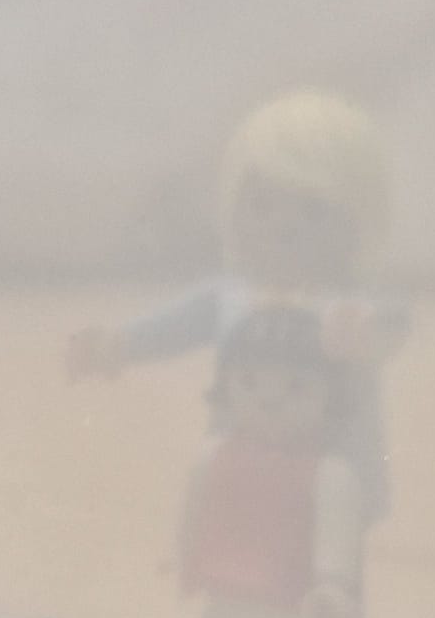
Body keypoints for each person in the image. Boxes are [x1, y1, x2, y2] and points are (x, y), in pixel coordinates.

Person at [66, 87, 408, 521]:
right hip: (241, 474)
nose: (284, 224)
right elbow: (173, 327)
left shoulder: (351, 304)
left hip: (331, 482)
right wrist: (120, 343)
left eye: (313, 210)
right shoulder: (230, 296)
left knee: (329, 545)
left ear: (358, 218)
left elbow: (393, 323)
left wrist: (370, 331)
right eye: (263, 205)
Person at [180, 306, 366, 618]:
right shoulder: (212, 456)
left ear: (331, 393)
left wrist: (332, 584)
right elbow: (194, 511)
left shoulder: (330, 473)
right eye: (249, 383)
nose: (269, 400)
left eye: (296, 387)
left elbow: (336, 535)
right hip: (225, 586)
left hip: (294, 599)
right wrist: (183, 557)